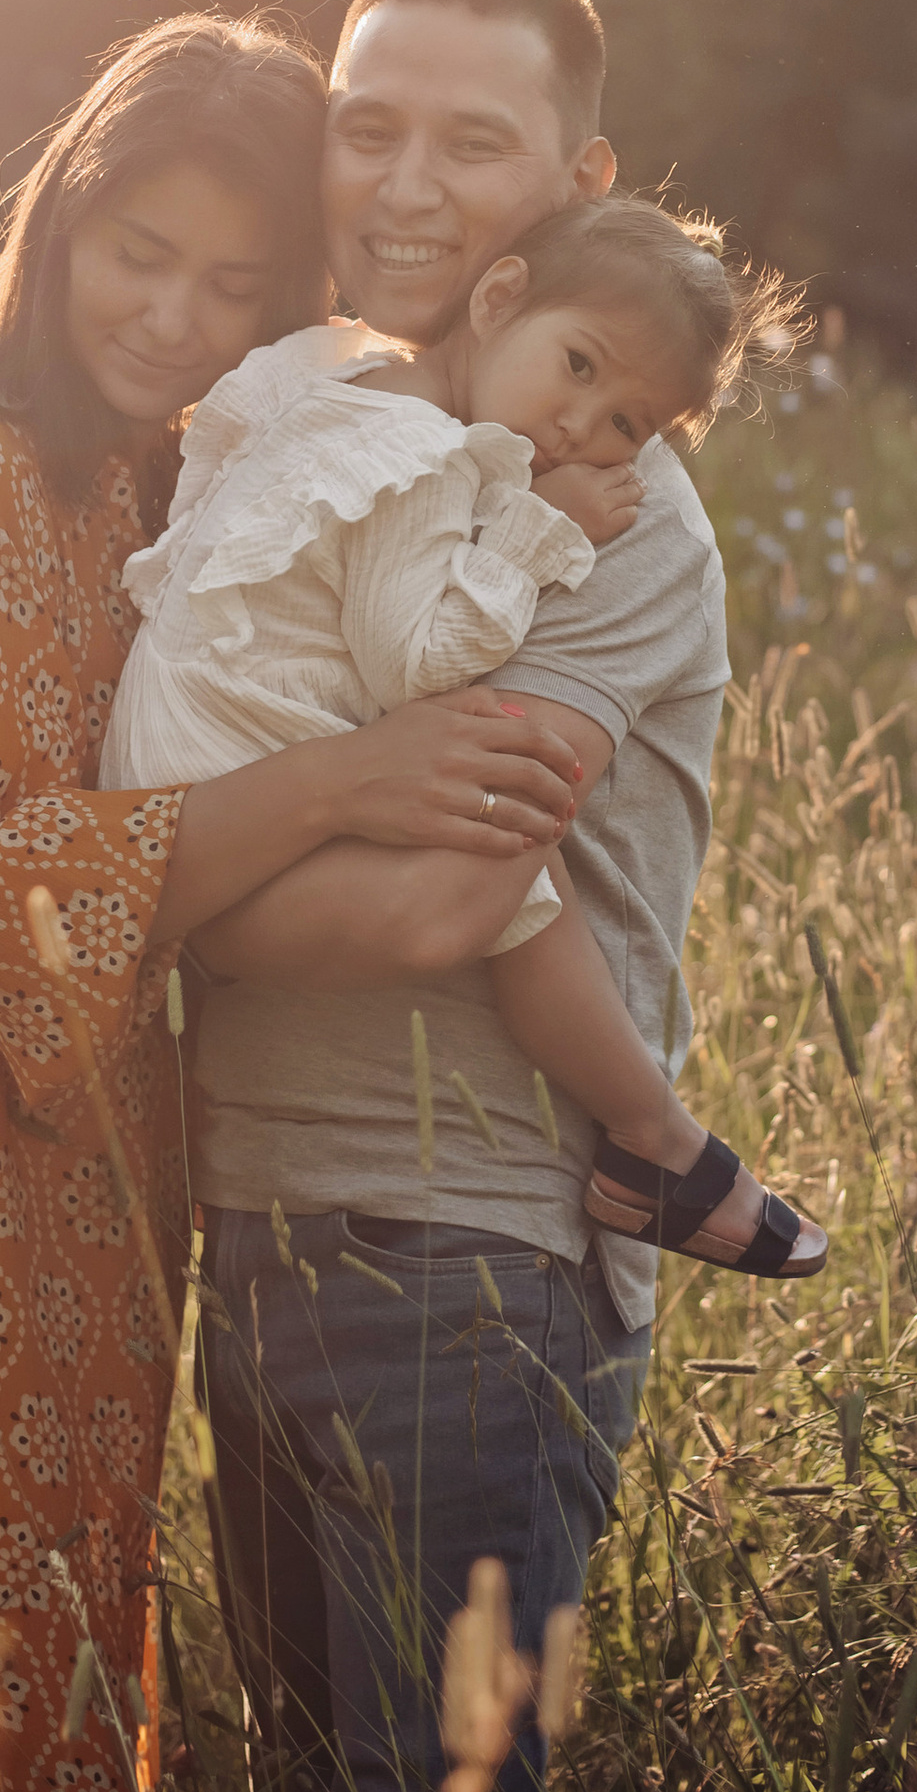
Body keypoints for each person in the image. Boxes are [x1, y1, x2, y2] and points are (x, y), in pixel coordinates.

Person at [0, 13, 587, 1792]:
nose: (175, 316)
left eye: (235, 288)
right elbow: (22, 887)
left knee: (54, 1614)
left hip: (72, 1143)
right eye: (139, 253)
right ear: (59, 221)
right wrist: (350, 781)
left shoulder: (136, 466)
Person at [176, 0, 752, 1792]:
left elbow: (439, 899)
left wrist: (147, 862)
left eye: (471, 140)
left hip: (470, 1259)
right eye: (365, 121)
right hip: (259, 1216)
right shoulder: (330, 443)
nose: (403, 184)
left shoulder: (597, 513)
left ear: (569, 179)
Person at [106, 189, 824, 1275]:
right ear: (498, 298)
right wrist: (539, 533)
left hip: (175, 733)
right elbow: (414, 662)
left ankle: (660, 1143)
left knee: (492, 853)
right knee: (512, 863)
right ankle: (655, 1142)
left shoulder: (339, 374)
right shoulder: (426, 453)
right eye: (579, 365)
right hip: (228, 744)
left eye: (629, 423)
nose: (584, 428)